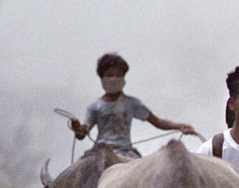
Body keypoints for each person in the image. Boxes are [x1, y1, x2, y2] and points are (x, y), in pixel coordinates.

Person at [70, 52, 200, 158]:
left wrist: (180, 126)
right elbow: (82, 134)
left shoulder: (132, 103)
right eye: (109, 76)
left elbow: (158, 122)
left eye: (118, 76)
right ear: (102, 78)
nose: (114, 79)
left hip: (126, 151)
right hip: (100, 152)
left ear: (124, 78)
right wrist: (77, 128)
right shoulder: (95, 106)